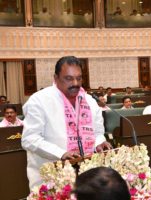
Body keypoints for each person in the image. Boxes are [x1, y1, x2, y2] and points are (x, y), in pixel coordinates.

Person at [21, 56, 112, 189]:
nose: (75, 82)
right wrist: (61, 153)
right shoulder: (39, 101)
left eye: (79, 78)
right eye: (68, 78)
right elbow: (29, 139)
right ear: (56, 78)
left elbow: (97, 133)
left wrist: (99, 143)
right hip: (52, 177)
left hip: (87, 176)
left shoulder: (90, 101)